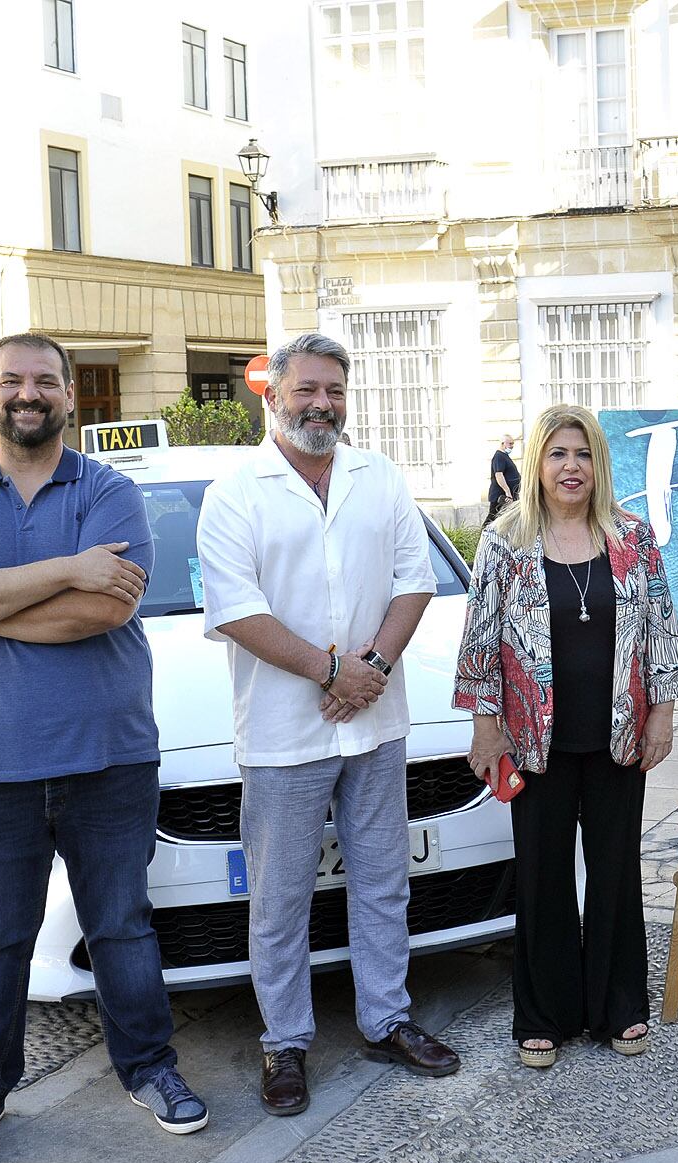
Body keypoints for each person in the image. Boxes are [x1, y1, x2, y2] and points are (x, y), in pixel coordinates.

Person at [0, 332, 207, 1163]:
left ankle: (150, 1069)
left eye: (44, 381)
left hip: (107, 755)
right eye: (11, 381)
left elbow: (103, 612)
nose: (26, 394)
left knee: (121, 926)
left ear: (72, 396)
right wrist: (66, 568)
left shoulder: (109, 491)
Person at [196, 332, 461, 1118]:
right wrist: (329, 668)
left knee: (383, 881)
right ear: (272, 396)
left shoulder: (380, 477)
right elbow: (236, 609)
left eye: (335, 391)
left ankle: (386, 1018)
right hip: (286, 731)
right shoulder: (236, 490)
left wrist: (371, 666)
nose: (322, 404)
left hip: (375, 723)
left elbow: (414, 583)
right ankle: (286, 1042)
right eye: (307, 389)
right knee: (280, 898)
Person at [454, 403, 678, 1069]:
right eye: (557, 454)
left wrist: (663, 712)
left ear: (599, 466)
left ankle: (619, 1004)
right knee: (542, 877)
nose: (570, 467)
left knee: (615, 873)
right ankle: (543, 1015)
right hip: (534, 740)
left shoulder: (634, 538)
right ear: (536, 464)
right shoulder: (505, 541)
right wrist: (485, 724)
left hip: (618, 735)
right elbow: (479, 641)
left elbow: (662, 628)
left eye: (582, 454)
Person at [487, 433, 520, 526]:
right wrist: (507, 492)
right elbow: (499, 475)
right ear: (503, 443)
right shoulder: (499, 456)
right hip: (501, 496)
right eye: (510, 444)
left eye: (513, 444)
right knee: (492, 518)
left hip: (507, 495)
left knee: (504, 519)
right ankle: (484, 537)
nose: (512, 446)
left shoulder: (504, 456)